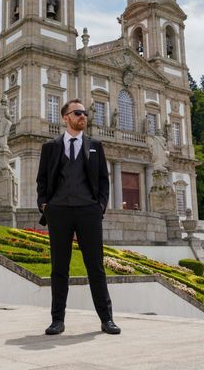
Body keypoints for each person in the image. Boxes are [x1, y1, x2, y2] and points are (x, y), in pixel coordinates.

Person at [36, 98, 119, 335]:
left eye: (84, 113)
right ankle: (57, 320)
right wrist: (44, 205)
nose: (83, 116)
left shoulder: (95, 146)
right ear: (66, 117)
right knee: (59, 267)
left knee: (95, 266)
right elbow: (42, 180)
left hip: (88, 211)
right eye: (78, 113)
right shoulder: (50, 147)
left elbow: (104, 180)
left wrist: (100, 206)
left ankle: (107, 319)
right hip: (59, 211)